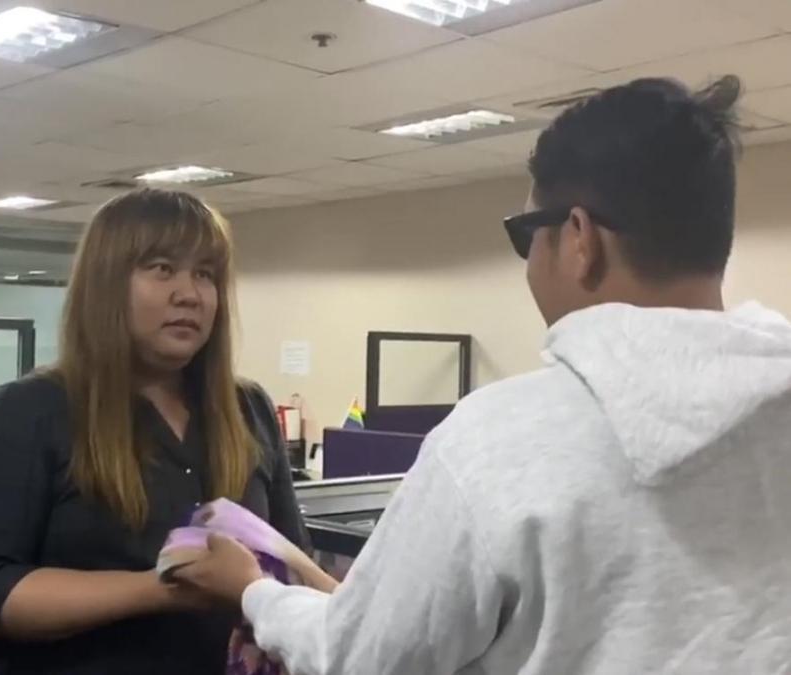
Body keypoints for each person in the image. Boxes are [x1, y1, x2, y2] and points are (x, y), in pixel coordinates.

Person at [180, 75, 791, 673]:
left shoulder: (498, 441)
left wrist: (254, 591)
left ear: (579, 239)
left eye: (526, 237)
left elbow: (358, 658)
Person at [0, 188, 309, 674]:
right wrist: (164, 588)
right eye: (162, 268)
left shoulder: (248, 408)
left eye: (205, 274)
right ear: (107, 285)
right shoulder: (29, 411)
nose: (190, 293)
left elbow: (291, 559)